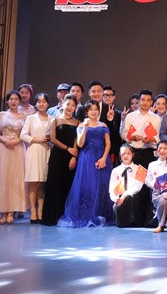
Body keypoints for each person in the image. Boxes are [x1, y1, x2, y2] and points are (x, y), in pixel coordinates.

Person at [58, 100, 113, 228]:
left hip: (101, 157)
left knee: (102, 185)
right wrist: (85, 129)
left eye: (96, 109)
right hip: (87, 157)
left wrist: (104, 158)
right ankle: (87, 214)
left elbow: (108, 143)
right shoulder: (82, 125)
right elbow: (80, 144)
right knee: (88, 185)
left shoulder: (103, 124)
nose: (94, 112)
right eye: (91, 109)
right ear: (87, 112)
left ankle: (100, 213)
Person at [0, 90, 28, 224]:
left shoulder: (24, 116)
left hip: (18, 148)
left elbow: (26, 133)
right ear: (7, 101)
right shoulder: (2, 114)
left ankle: (11, 211)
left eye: (16, 99)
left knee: (15, 178)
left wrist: (17, 140)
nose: (13, 101)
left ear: (19, 101)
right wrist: (4, 140)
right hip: (3, 148)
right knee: (3, 178)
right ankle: (3, 211)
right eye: (11, 99)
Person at [42, 94, 80, 226]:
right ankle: (50, 217)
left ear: (75, 108)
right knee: (53, 185)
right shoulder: (55, 120)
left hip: (71, 157)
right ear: (63, 104)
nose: (70, 107)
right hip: (57, 155)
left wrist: (74, 156)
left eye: (73, 105)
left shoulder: (77, 122)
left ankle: (62, 215)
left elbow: (76, 142)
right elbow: (53, 139)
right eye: (68, 104)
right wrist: (68, 148)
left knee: (67, 185)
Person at [20, 92, 53, 223]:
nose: (41, 104)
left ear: (48, 104)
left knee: (43, 183)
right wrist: (36, 139)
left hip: (47, 150)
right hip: (34, 150)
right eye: (39, 102)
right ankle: (33, 210)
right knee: (33, 182)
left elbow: (54, 136)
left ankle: (41, 210)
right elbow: (23, 135)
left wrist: (50, 140)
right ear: (35, 104)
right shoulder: (30, 118)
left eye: (44, 101)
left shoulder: (52, 118)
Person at [109, 145, 148, 228]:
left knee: (132, 198)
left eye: (128, 153)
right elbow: (112, 187)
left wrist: (124, 196)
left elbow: (137, 187)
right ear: (120, 155)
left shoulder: (139, 169)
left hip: (133, 197)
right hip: (120, 198)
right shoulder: (115, 170)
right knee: (117, 208)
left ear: (133, 154)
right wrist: (115, 198)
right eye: (123, 154)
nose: (126, 156)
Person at [121, 90, 161, 169]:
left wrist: (150, 139)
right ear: (139, 101)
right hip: (133, 151)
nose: (145, 103)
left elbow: (158, 137)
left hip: (148, 152)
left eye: (148, 100)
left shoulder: (156, 118)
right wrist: (133, 138)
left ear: (151, 102)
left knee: (147, 175)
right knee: (131, 174)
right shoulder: (130, 116)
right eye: (143, 100)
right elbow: (123, 134)